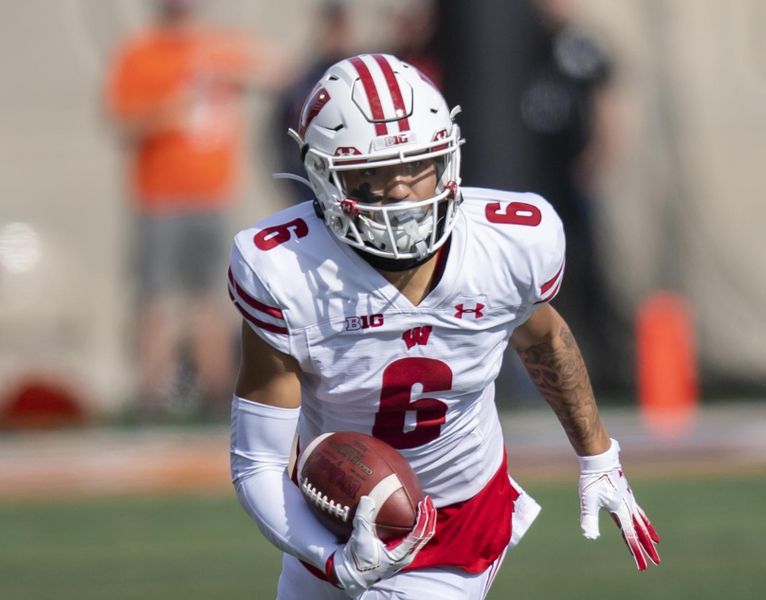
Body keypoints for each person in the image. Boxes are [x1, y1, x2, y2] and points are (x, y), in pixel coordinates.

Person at [228, 53, 660, 599]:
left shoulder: (506, 246)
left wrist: (599, 455)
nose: (403, 191)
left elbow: (545, 339)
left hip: (457, 524)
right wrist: (331, 558)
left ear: (449, 157)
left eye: (418, 164)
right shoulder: (284, 270)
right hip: (332, 515)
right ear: (325, 177)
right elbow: (258, 461)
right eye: (375, 174)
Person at [105, 0, 292, 417]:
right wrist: (171, 108)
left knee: (212, 296)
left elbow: (282, 70)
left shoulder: (214, 47)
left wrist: (229, 72)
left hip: (211, 195)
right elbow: (121, 121)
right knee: (156, 297)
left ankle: (216, 392)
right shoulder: (141, 54)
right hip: (159, 197)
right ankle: (150, 395)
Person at [519, 0, 627, 390]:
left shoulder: (579, 45)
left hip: (569, 178)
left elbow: (607, 99)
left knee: (582, 269)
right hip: (532, 180)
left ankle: (602, 367)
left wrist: (601, 155)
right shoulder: (523, 40)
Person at [270, 0, 356, 204]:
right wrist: (297, 183)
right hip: (313, 189)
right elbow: (282, 136)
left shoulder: (360, 78)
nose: (336, 35)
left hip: (356, 190)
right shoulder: (303, 81)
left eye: (340, 26)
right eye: (331, 27)